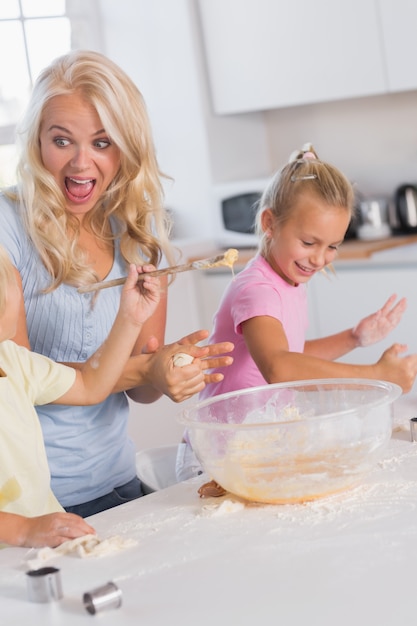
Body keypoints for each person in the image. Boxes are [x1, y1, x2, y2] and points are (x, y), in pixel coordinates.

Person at [0, 50, 233, 518]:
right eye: (61, 140)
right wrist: (144, 369)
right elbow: (17, 377)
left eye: (102, 143)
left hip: (117, 480)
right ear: (37, 141)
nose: (80, 163)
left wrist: (165, 371)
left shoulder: (136, 234)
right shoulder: (8, 224)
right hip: (34, 500)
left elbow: (142, 391)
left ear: (126, 147)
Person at [176, 143, 417, 480]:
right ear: (270, 223)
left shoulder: (287, 280)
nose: (319, 259)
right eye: (309, 243)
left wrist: (354, 337)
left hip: (254, 447)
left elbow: (292, 356)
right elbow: (279, 366)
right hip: (217, 457)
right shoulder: (257, 289)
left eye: (332, 246)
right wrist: (377, 376)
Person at [0, 244, 161, 547]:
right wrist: (22, 530)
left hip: (40, 549)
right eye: (12, 280)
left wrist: (130, 318)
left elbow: (91, 384)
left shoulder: (13, 361)